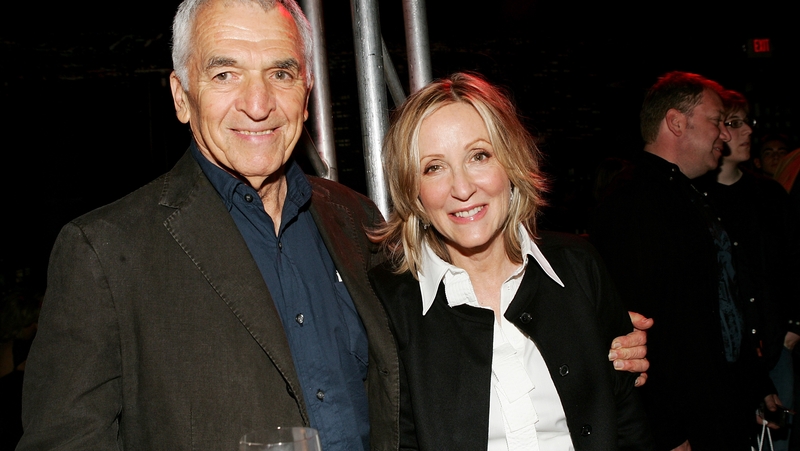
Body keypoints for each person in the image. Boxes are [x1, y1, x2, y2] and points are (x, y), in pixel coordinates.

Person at [15, 1, 651, 450]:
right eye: (225, 73)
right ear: (182, 96)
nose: (259, 104)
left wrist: (601, 347)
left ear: (307, 89)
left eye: (281, 73)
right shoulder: (105, 252)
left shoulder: (355, 220)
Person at [369, 72, 655, 451]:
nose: (463, 188)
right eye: (433, 167)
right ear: (413, 192)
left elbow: (629, 425)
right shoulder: (390, 303)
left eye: (479, 156)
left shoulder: (577, 267)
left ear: (511, 166)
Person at [592, 72, 781, 451]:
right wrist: (667, 430)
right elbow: (635, 327)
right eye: (716, 121)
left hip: (719, 408)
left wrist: (755, 385)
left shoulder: (691, 194)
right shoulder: (634, 201)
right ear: (676, 122)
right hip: (685, 423)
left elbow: (722, 303)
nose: (724, 135)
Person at [696, 90, 800, 449]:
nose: (745, 132)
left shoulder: (768, 195)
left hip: (773, 346)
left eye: (746, 123)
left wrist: (794, 325)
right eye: (733, 123)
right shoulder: (696, 197)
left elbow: (794, 261)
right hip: (725, 356)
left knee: (777, 441)